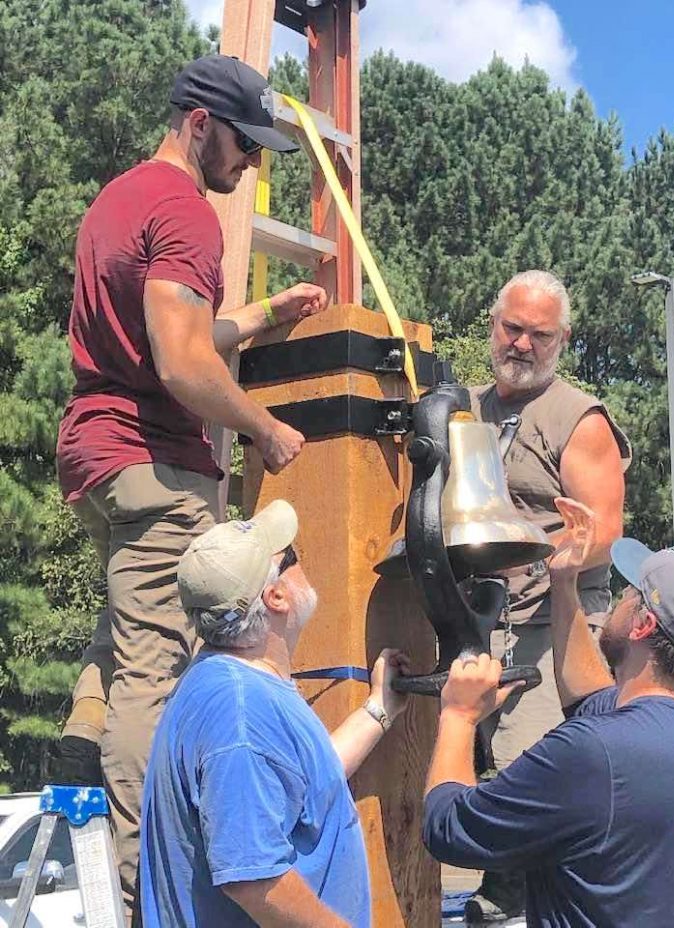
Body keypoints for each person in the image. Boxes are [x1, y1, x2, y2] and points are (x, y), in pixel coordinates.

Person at [55, 53, 328, 919]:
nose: (249, 167)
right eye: (243, 147)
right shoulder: (185, 211)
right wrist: (265, 426)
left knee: (124, 636)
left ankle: (74, 747)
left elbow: (174, 329)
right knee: (158, 670)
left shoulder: (120, 198)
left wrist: (260, 317)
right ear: (198, 123)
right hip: (155, 459)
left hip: (102, 459)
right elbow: (180, 363)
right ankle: (140, 889)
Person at [423, 496, 674, 927]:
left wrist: (457, 716)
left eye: (629, 592)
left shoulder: (594, 753)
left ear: (643, 625)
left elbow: (449, 828)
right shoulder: (644, 730)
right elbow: (588, 700)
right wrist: (564, 583)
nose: (620, 597)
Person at [139, 499, 409, 927]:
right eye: (293, 558)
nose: (303, 564)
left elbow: (299, 784)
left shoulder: (228, 684)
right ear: (277, 596)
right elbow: (253, 878)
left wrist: (378, 709)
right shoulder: (240, 714)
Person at [465, 269, 631, 920]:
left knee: (525, 777)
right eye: (513, 329)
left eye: (539, 334)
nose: (523, 345)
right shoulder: (463, 408)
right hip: (473, 622)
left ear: (561, 340)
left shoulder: (577, 417)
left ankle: (512, 907)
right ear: (493, 326)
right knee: (444, 763)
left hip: (551, 629)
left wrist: (556, 554)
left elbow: (606, 531)